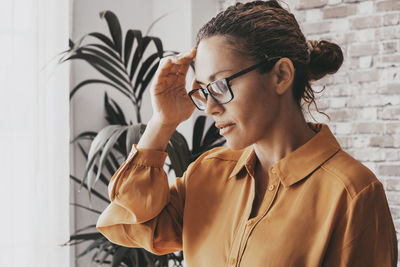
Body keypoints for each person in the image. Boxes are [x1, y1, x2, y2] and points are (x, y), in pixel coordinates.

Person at [96, 1, 398, 266]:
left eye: (221, 85)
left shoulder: (352, 193)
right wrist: (162, 122)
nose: (210, 107)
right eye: (203, 90)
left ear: (280, 75)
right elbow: (127, 224)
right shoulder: (207, 172)